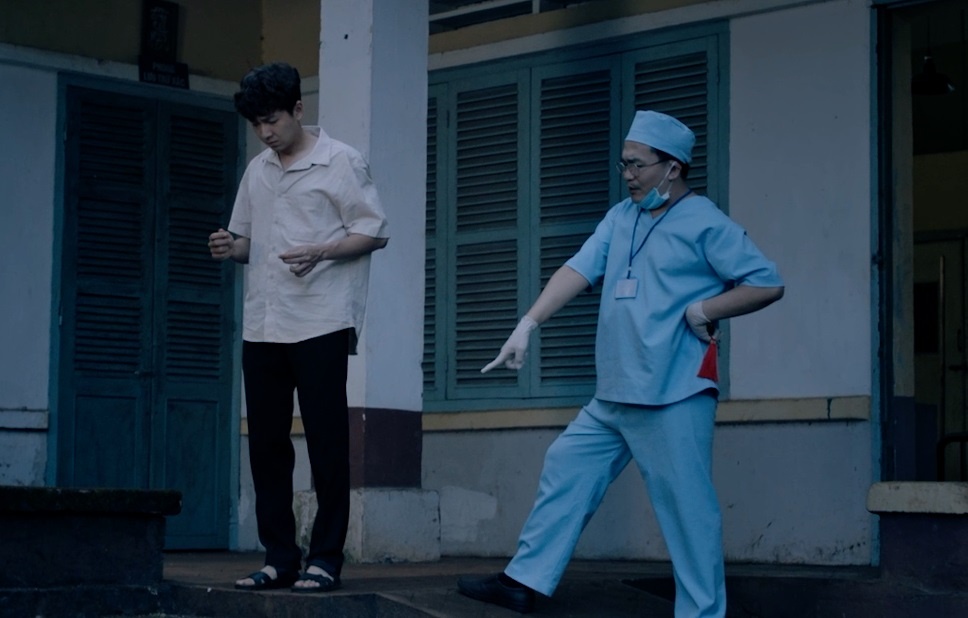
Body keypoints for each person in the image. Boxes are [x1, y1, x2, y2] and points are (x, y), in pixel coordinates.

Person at [457, 110, 784, 616]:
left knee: (688, 510)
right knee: (566, 466)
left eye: (637, 165)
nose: (628, 175)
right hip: (614, 392)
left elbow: (767, 283)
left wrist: (703, 309)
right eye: (624, 164)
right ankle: (523, 581)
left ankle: (701, 613)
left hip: (674, 391)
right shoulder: (620, 217)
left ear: (672, 167)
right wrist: (528, 323)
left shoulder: (706, 221)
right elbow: (578, 268)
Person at [208, 62, 389, 593]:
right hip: (264, 322)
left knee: (326, 443)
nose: (265, 132)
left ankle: (326, 558)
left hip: (320, 319)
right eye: (256, 124)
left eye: (273, 120)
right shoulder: (258, 170)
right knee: (266, 445)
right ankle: (279, 558)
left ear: (298, 109)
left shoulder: (341, 161)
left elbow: (374, 232)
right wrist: (230, 247)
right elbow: (250, 242)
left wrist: (322, 251)